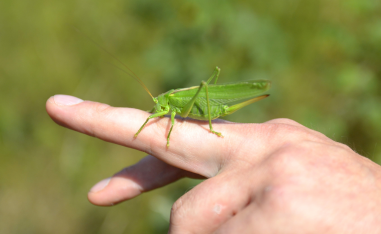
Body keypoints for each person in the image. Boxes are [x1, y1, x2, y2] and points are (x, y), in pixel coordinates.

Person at [46, 94, 381, 233]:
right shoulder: (165, 102)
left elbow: (165, 116)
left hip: (208, 109)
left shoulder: (173, 102)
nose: (157, 106)